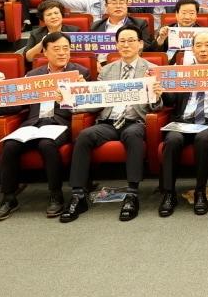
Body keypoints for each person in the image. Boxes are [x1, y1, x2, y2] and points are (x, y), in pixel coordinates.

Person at [60, 26, 164, 223]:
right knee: (84, 136)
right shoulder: (106, 70)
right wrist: (76, 99)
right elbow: (96, 104)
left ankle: (132, 194)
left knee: (132, 135)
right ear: (116, 44)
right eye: (122, 41)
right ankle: (78, 195)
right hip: (108, 121)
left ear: (140, 44)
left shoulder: (151, 70)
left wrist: (157, 96)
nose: (126, 45)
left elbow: (157, 108)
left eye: (131, 40)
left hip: (136, 120)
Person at [0, 32, 90, 221]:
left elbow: (88, 104)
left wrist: (81, 91)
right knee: (11, 145)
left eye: (66, 49)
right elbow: (19, 104)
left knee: (47, 144)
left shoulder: (80, 73)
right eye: (56, 49)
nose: (62, 53)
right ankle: (8, 197)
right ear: (45, 52)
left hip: (59, 123)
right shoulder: (33, 75)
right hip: (33, 122)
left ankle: (56, 194)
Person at [158, 31, 208, 217]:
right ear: (192, 49)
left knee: (204, 139)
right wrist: (160, 90)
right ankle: (168, 193)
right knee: (172, 140)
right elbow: (171, 99)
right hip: (182, 121)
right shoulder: (181, 72)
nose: (203, 49)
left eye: (207, 45)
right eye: (199, 45)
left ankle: (200, 191)